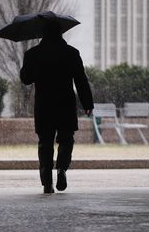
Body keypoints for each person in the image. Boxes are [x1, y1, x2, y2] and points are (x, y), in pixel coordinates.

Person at [20, 20, 94, 194]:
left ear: (43, 33)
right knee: (66, 140)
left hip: (44, 105)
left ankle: (47, 182)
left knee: (45, 143)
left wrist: (26, 67)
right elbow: (81, 81)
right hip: (65, 104)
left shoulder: (33, 54)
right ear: (61, 32)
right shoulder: (71, 53)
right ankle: (61, 169)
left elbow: (26, 79)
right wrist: (88, 104)